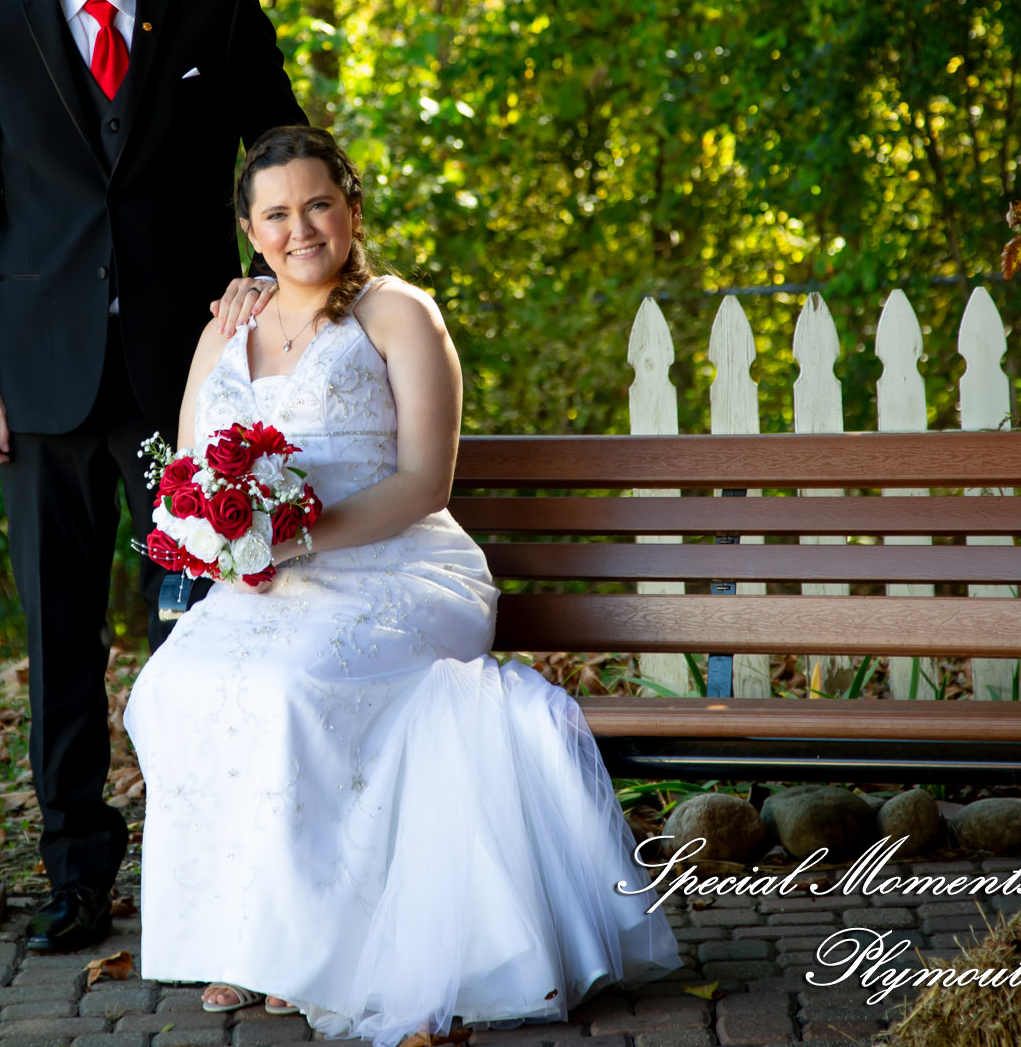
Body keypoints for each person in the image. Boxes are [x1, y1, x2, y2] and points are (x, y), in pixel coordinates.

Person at [123, 126, 680, 1047]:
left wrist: (294, 539)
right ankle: (240, 936)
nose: (300, 227)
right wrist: (221, 544)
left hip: (397, 567)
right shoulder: (226, 328)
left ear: (350, 207)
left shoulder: (395, 312)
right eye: (276, 213)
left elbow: (426, 482)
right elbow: (189, 470)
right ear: (248, 230)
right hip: (265, 580)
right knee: (173, 688)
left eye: (317, 203)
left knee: (290, 689)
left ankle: (309, 950)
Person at [0, 0, 306, 954]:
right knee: (59, 644)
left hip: (181, 380)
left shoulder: (218, 9)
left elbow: (284, 160)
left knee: (202, 638)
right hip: (37, 388)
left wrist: (273, 292)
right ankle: (77, 875)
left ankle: (208, 872)